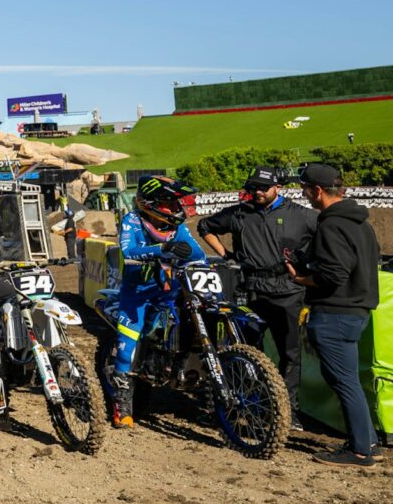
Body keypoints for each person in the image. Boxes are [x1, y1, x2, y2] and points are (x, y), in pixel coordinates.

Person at [199, 166, 318, 421]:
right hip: (250, 290)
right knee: (247, 350)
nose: (258, 192)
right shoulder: (239, 213)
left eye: (263, 188)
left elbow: (326, 239)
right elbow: (204, 226)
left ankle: (288, 411)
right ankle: (248, 404)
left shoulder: (303, 215)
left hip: (288, 291)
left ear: (278, 187)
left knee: (290, 353)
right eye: (253, 188)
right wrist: (226, 255)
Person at [290, 163, 382, 467]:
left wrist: (301, 278)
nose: (304, 195)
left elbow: (333, 274)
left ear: (317, 190)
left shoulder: (331, 225)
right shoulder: (360, 222)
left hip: (334, 313)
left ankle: (360, 451)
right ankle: (368, 443)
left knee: (344, 381)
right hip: (355, 310)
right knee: (349, 380)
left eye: (305, 189)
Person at [105, 176, 206, 428]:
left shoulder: (177, 227)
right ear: (151, 203)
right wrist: (162, 249)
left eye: (177, 203)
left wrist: (199, 262)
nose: (176, 208)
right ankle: (122, 407)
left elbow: (198, 255)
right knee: (126, 347)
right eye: (170, 202)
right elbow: (128, 251)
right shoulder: (133, 220)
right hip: (137, 293)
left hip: (170, 292)